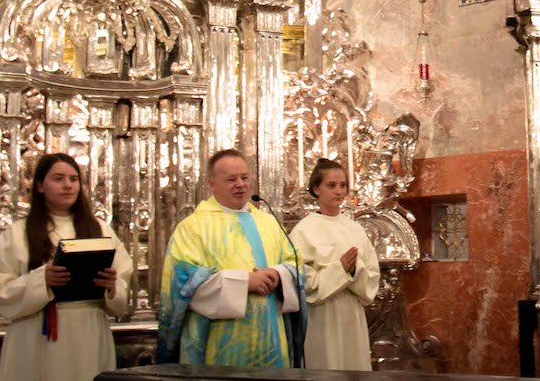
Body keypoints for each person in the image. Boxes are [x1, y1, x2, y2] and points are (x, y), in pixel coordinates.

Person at [0, 153, 133, 381]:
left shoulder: (100, 230)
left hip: (87, 333)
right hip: (36, 332)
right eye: (58, 179)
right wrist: (41, 280)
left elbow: (123, 285)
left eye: (74, 179)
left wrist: (112, 286)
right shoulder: (17, 234)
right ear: (40, 186)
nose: (68, 186)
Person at [157, 148, 305, 368]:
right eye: (231, 179)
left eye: (244, 178)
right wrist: (245, 282)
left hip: (271, 339)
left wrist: (278, 274)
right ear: (211, 184)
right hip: (220, 344)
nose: (241, 184)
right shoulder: (193, 227)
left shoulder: (268, 222)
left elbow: (295, 263)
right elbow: (183, 282)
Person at [289, 158, 380, 370]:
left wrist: (355, 270)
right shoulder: (304, 230)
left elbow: (372, 276)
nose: (339, 191)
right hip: (322, 316)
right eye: (331, 185)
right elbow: (302, 281)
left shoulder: (355, 229)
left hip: (351, 313)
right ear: (316, 189)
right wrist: (339, 271)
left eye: (343, 185)